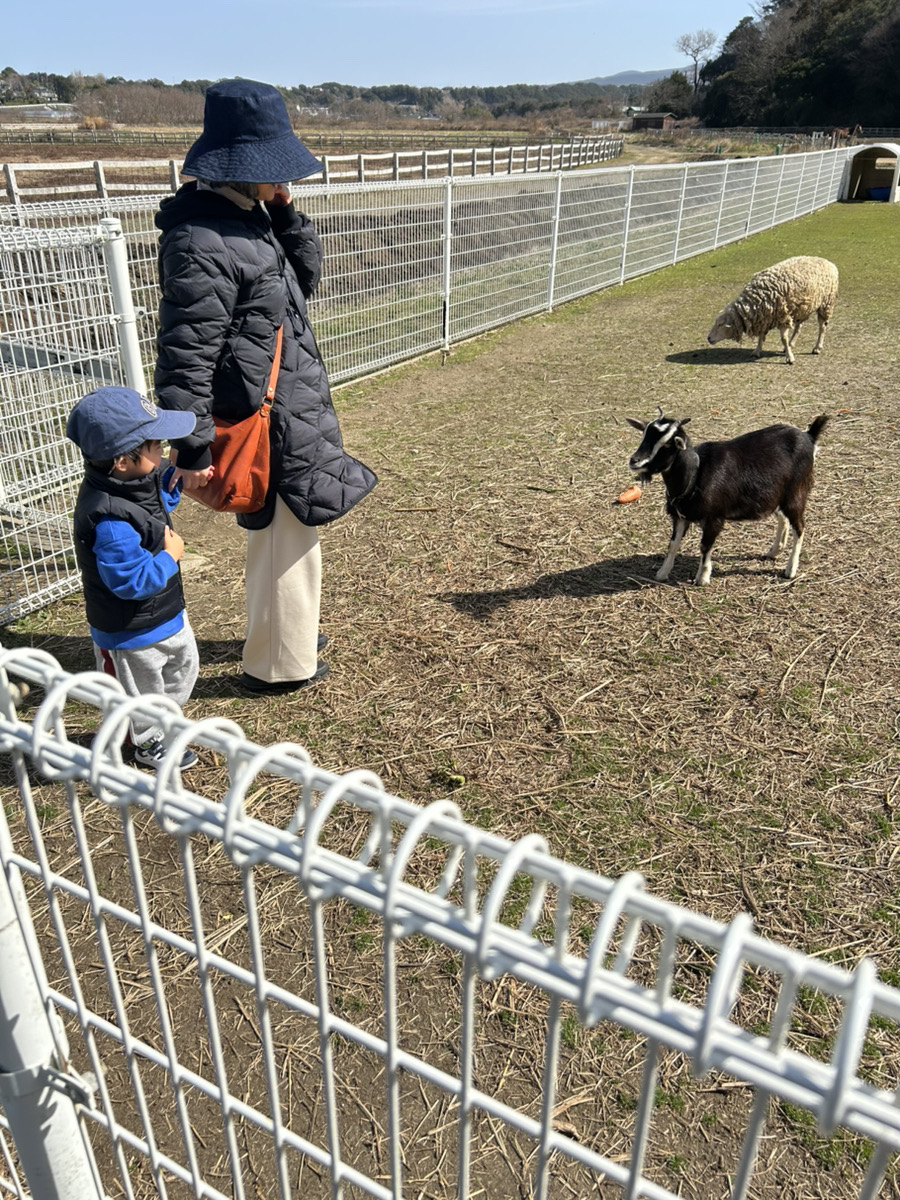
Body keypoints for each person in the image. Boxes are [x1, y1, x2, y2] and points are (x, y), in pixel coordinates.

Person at [153, 78, 377, 695]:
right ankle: (279, 662)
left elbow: (302, 281)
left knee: (285, 530)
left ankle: (282, 631)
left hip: (286, 403)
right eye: (273, 174)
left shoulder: (246, 219)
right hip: (265, 416)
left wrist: (282, 210)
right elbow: (185, 355)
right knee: (287, 533)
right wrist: (193, 446)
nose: (283, 183)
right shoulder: (203, 241)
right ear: (240, 169)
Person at [66, 387, 201, 770]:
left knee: (184, 667)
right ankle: (148, 741)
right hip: (129, 630)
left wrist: (175, 485)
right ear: (124, 461)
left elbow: (152, 506)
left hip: (167, 613)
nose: (162, 452)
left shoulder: (130, 482)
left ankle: (164, 720)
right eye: (156, 446)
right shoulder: (107, 520)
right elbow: (131, 581)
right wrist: (170, 557)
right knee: (139, 690)